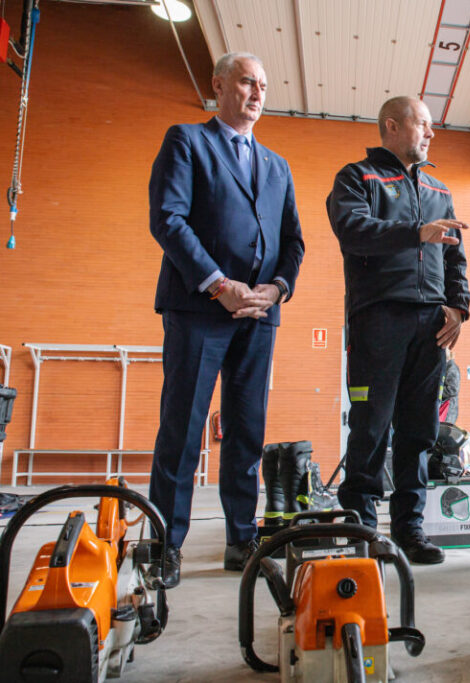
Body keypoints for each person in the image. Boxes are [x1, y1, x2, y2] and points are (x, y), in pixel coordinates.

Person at [148, 52, 305, 587]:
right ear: (218, 85)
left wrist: (277, 288)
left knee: (247, 432)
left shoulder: (277, 166)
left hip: (259, 315)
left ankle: (241, 539)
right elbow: (168, 219)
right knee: (183, 428)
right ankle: (166, 545)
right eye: (246, 82)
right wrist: (219, 284)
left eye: (263, 85)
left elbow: (293, 241)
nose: (257, 93)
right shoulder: (187, 141)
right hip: (200, 310)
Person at [327, 95, 470, 565]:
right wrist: (415, 232)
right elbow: (353, 230)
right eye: (422, 123)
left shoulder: (438, 189)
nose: (430, 133)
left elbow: (455, 257)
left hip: (431, 325)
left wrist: (459, 308)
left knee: (419, 431)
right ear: (392, 125)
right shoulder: (357, 177)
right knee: (370, 427)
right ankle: (362, 528)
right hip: (378, 320)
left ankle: (410, 528)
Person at [440, 349, 461, 424]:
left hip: (447, 412)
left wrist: (436, 391)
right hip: (446, 411)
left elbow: (453, 390)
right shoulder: (447, 367)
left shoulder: (451, 367)